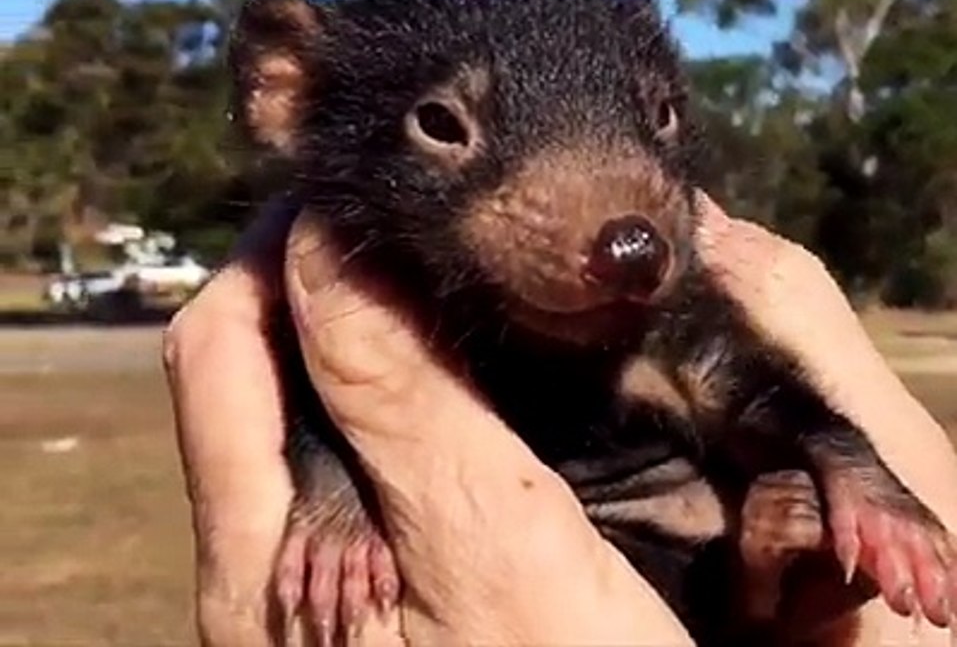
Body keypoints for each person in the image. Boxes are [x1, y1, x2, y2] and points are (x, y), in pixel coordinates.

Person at [164, 193, 957, 646]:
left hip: (673, 553)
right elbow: (313, 417)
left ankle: (757, 588)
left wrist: (863, 480)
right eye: (443, 127)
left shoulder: (665, 331)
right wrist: (335, 503)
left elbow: (764, 400)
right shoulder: (363, 299)